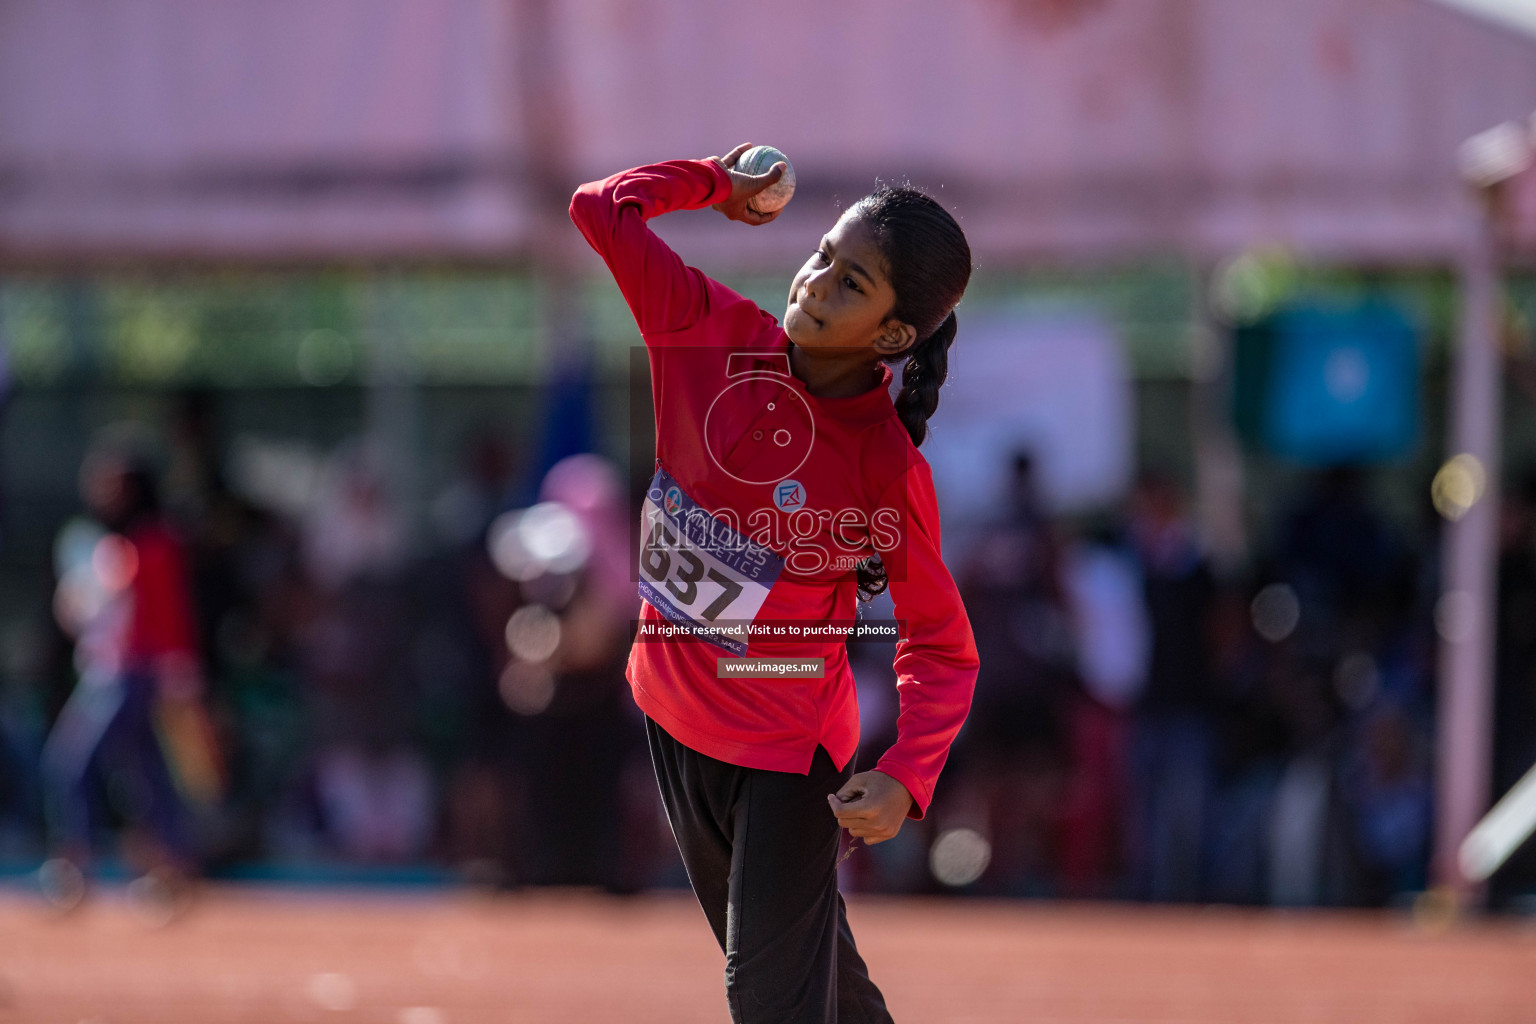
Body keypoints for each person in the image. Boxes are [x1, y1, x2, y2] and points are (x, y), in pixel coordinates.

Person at [570, 145, 979, 1022]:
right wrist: (717, 181)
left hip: (791, 759)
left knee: (770, 1000)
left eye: (851, 283)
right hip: (672, 718)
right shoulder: (707, 334)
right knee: (816, 981)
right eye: (823, 255)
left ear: (895, 335)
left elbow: (941, 643)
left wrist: (908, 772)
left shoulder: (883, 465)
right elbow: (600, 210)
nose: (815, 281)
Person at [39, 445, 215, 912]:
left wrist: (181, 671)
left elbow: (169, 614)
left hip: (134, 675)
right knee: (144, 772)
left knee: (73, 762)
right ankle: (172, 867)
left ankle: (76, 863)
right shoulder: (107, 547)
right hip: (107, 672)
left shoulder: (154, 544)